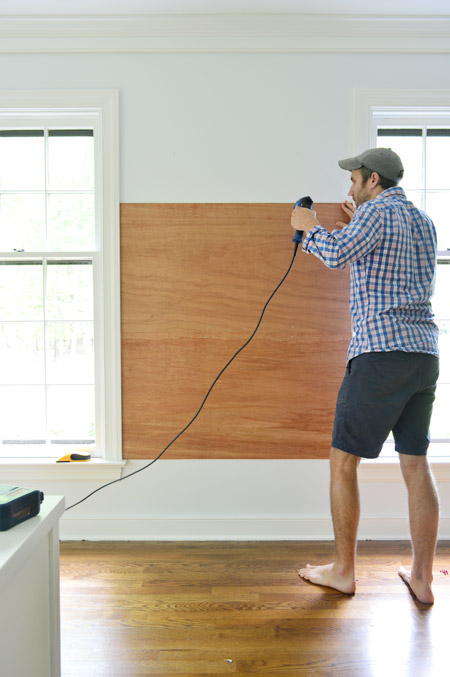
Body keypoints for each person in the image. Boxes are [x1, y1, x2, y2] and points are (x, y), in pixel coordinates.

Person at [291, 148, 440, 604]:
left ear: (373, 179)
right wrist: (355, 223)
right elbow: (377, 256)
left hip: (379, 354)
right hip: (424, 355)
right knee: (415, 464)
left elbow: (336, 255)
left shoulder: (375, 216)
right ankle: (422, 579)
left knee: (344, 463)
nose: (349, 188)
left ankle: (343, 572)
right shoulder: (424, 221)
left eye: (354, 179)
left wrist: (307, 227)